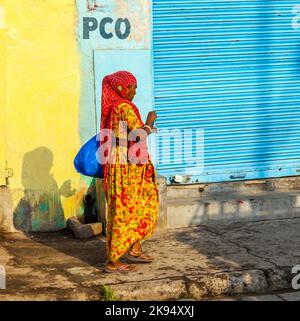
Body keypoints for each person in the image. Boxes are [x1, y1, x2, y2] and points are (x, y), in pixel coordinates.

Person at [100, 71, 159, 273]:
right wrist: (150, 122)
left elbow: (122, 136)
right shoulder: (124, 107)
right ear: (121, 89)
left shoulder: (114, 107)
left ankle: (134, 247)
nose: (134, 91)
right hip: (125, 166)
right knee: (124, 209)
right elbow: (137, 135)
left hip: (122, 163)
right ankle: (113, 261)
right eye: (131, 87)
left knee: (134, 204)